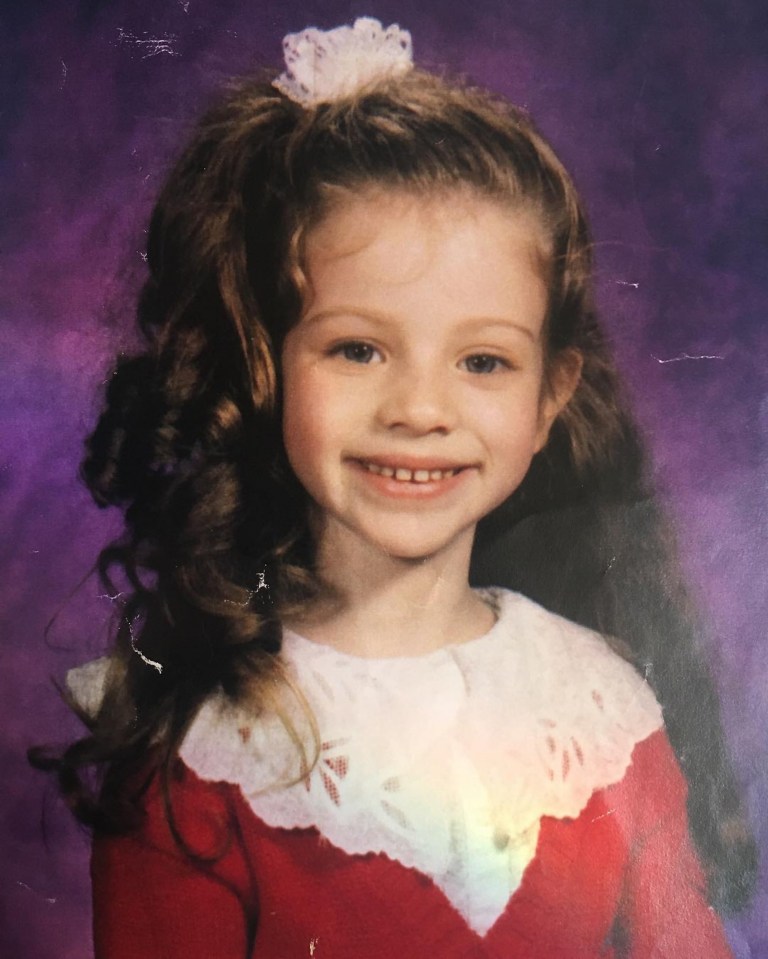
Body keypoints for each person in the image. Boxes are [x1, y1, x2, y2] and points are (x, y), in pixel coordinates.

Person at [31, 17, 756, 958]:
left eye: (484, 361)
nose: (421, 407)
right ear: (267, 368)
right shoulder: (195, 737)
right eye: (359, 348)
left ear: (550, 398)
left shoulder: (600, 710)